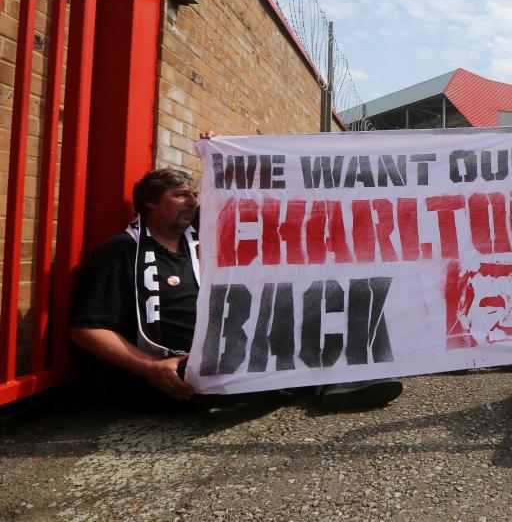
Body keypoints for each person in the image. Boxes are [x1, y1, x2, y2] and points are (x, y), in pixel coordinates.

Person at [71, 166, 404, 410]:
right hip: (172, 369)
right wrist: (150, 367)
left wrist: (220, 155)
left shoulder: (200, 242)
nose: (192, 202)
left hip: (224, 348)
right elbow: (87, 329)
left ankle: (334, 380)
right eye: (180, 195)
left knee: (315, 305)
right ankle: (319, 384)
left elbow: (246, 197)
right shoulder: (121, 251)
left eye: (194, 195)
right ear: (149, 204)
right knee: (263, 363)